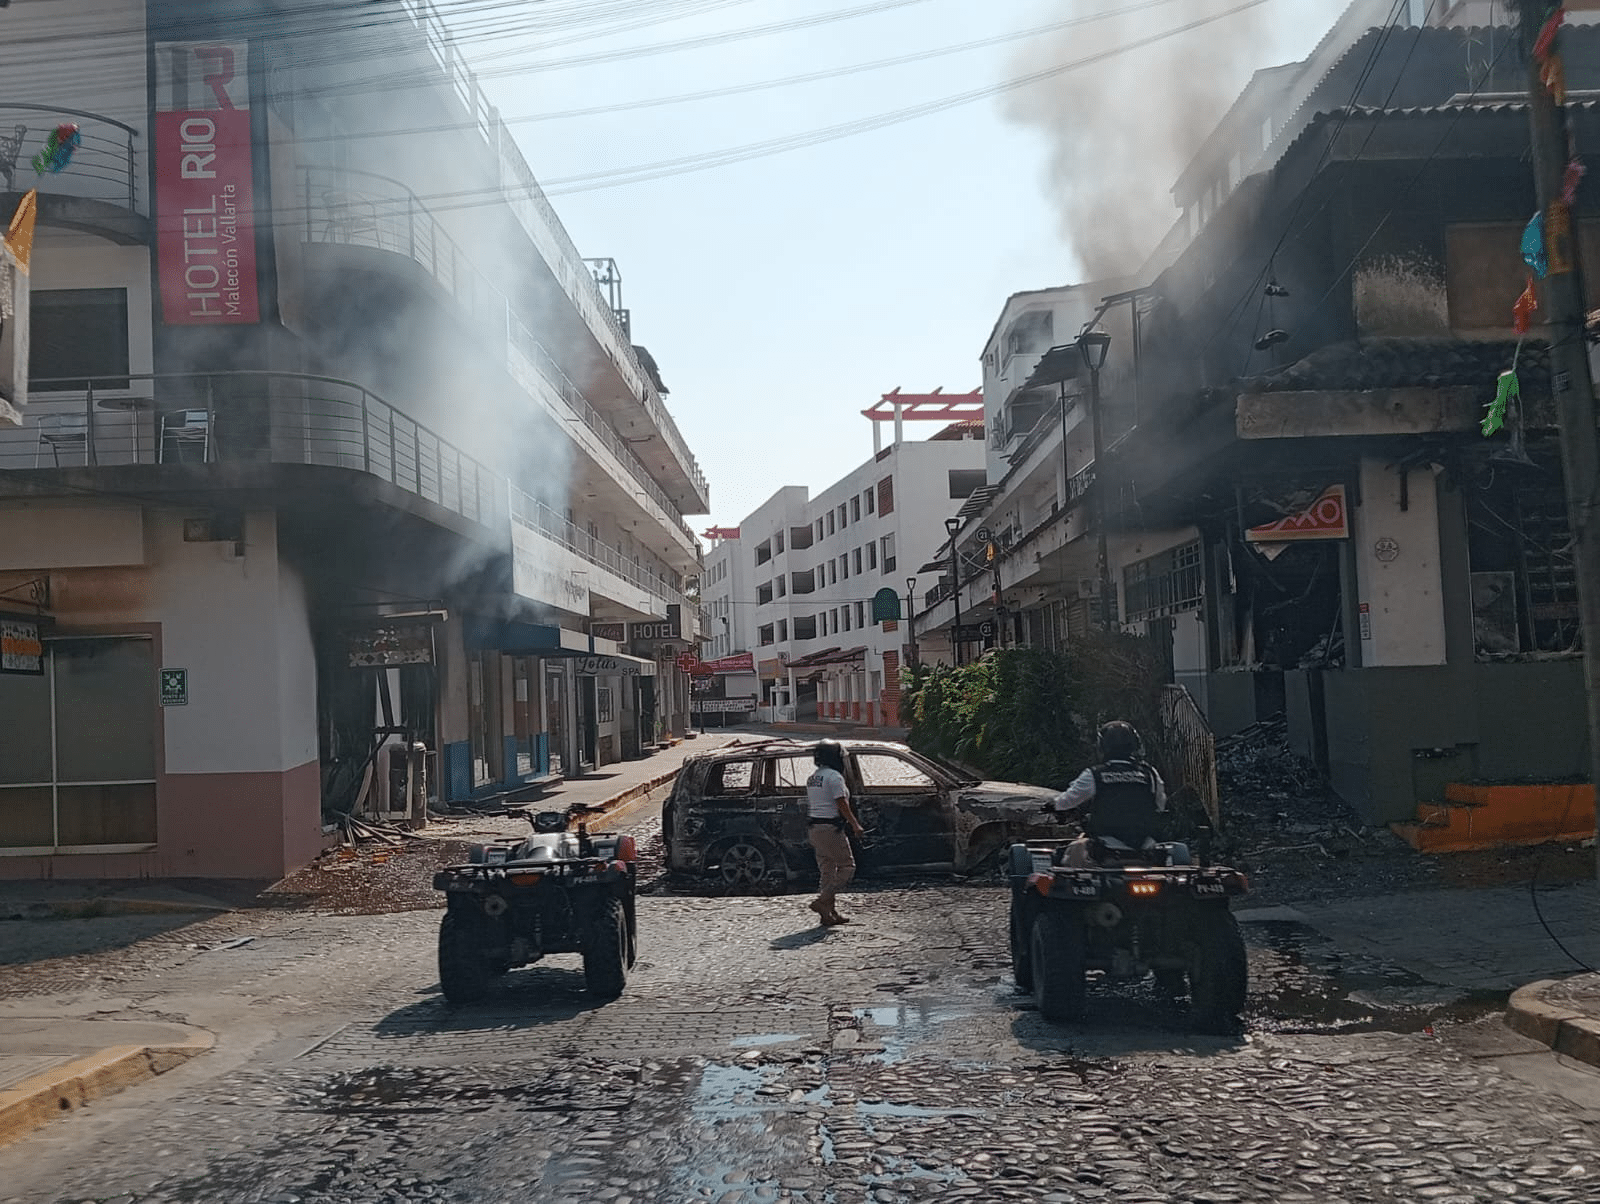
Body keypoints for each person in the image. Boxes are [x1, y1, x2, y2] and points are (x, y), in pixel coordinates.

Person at [1046, 720, 1182, 867]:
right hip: (1145, 845)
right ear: (1135, 744)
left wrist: (1053, 805)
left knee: (1070, 855)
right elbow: (1160, 804)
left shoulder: (1095, 774)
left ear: (1102, 746)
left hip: (1106, 845)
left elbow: (1067, 800)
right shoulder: (1149, 773)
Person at [805, 739, 864, 926]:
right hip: (830, 828)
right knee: (847, 867)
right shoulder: (835, 777)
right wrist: (855, 825)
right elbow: (841, 803)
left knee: (827, 870)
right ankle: (823, 901)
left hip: (815, 828)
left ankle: (829, 914)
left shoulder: (813, 777)